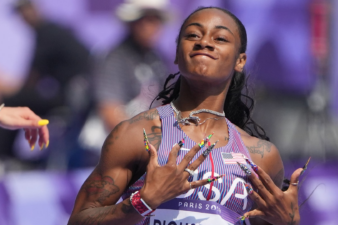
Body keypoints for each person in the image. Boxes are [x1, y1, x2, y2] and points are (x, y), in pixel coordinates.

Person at [69, 7, 303, 225]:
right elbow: (79, 219)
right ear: (177, 54)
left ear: (240, 61)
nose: (204, 42)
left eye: (219, 38)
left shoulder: (262, 157)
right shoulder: (138, 134)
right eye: (192, 35)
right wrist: (143, 202)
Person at [0, 0, 90, 156]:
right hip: (74, 94)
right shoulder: (51, 30)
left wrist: (9, 90)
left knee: (14, 101)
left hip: (74, 97)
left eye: (25, 11)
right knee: (16, 101)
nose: (23, 17)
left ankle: (4, 157)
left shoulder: (47, 33)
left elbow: (32, 79)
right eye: (20, 14)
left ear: (34, 9)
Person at [93, 0, 168, 131]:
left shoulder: (158, 59)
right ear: (132, 23)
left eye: (156, 20)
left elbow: (169, 104)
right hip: (120, 144)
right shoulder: (114, 59)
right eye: (146, 19)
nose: (150, 27)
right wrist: (145, 141)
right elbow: (111, 115)